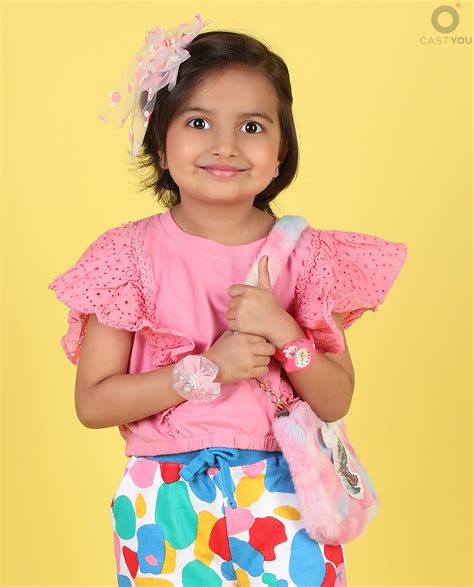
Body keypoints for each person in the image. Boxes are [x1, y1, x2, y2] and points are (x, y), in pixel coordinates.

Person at [48, 14, 408, 586]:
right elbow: (93, 403)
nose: (226, 146)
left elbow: (335, 398)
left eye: (252, 126)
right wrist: (206, 370)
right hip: (165, 499)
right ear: (160, 145)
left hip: (288, 492)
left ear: (282, 149)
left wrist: (284, 331)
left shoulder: (304, 255)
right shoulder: (126, 257)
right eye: (198, 122)